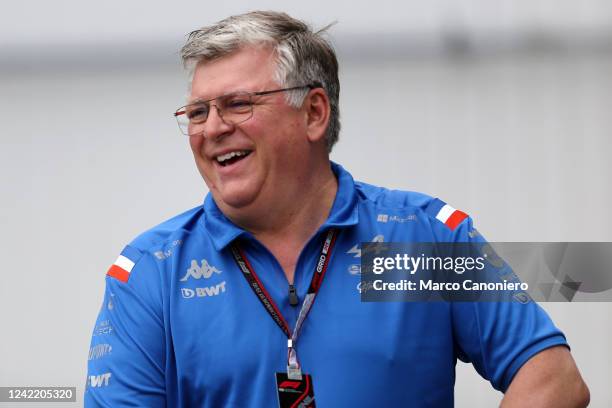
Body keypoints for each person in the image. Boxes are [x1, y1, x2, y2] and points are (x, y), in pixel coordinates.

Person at [85, 11, 590, 407]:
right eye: (197, 112)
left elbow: (552, 378)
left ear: (313, 112)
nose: (212, 127)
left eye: (238, 104)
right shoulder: (152, 275)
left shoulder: (413, 241)